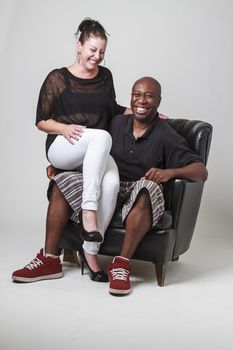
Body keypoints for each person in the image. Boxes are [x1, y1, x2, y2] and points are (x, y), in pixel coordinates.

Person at [12, 77, 208, 293]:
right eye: (137, 95)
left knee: (149, 187)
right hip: (106, 185)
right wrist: (60, 165)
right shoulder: (115, 123)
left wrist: (169, 172)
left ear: (159, 101)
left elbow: (201, 171)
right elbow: (91, 148)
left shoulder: (166, 134)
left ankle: (121, 264)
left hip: (137, 190)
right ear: (131, 98)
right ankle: (50, 259)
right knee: (63, 180)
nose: (141, 101)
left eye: (149, 96)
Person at [25, 17, 131, 281]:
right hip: (65, 146)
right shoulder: (57, 78)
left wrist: (145, 114)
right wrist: (62, 128)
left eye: (102, 52)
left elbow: (112, 110)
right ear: (79, 45)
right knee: (102, 138)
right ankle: (88, 213)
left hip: (94, 150)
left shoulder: (105, 77)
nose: (97, 56)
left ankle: (91, 253)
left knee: (112, 182)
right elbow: (41, 120)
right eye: (93, 50)